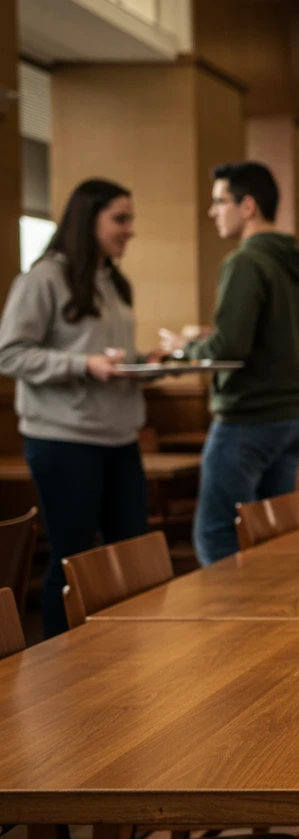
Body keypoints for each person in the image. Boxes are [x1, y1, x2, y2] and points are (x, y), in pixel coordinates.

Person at [0, 179, 155, 637]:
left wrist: (151, 364)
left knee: (132, 557)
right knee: (73, 561)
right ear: (89, 221)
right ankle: (60, 670)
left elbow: (110, 359)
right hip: (64, 439)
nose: (130, 230)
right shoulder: (43, 278)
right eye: (120, 219)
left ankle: (122, 661)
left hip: (119, 435)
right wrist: (82, 364)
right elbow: (9, 353)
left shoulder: (113, 281)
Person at [165, 161, 299, 566]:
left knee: (216, 533)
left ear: (247, 205)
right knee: (275, 538)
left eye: (219, 202)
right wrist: (211, 337)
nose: (213, 211)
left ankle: (227, 625)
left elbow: (230, 347)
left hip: (250, 416)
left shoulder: (245, 261)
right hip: (296, 414)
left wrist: (186, 348)